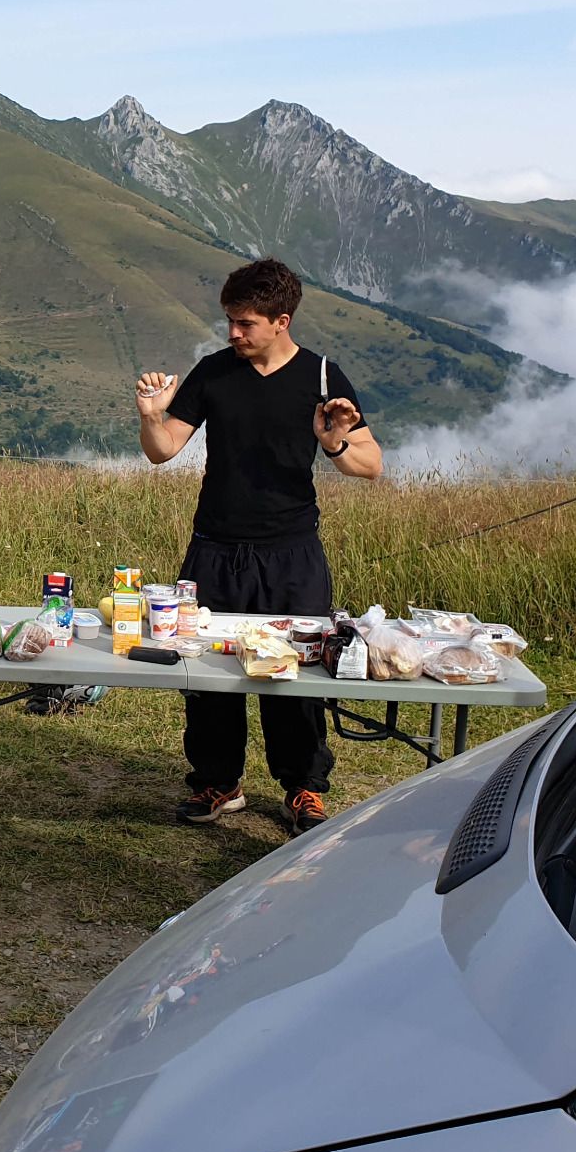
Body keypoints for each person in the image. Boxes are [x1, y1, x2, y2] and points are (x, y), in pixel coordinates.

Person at [135, 259, 383, 833]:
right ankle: (218, 782)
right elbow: (163, 450)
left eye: (245, 323)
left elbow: (370, 465)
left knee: (293, 675)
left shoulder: (323, 379)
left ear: (281, 321)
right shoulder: (215, 372)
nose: (233, 333)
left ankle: (303, 788)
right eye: (230, 320)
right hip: (214, 548)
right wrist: (151, 416)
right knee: (208, 673)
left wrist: (335, 442)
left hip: (291, 552)